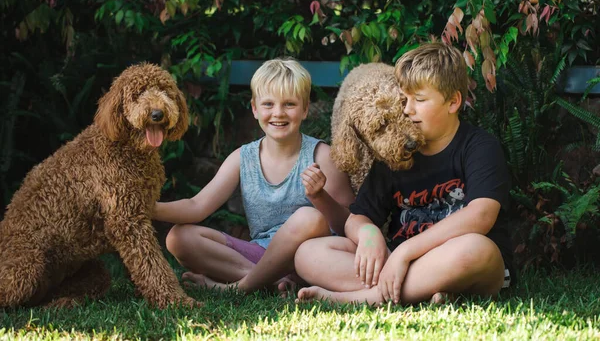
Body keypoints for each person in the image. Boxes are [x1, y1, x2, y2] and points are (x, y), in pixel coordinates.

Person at [294, 43, 514, 305]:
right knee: (308, 253)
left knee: (477, 250)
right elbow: (357, 217)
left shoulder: (479, 147)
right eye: (404, 99)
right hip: (400, 263)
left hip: (460, 260)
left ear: (453, 101)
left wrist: (405, 252)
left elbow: (480, 216)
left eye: (419, 100)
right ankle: (426, 289)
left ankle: (366, 298)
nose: (408, 109)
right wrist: (369, 234)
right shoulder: (396, 153)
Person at [153, 58, 355, 295]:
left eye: (289, 104)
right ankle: (271, 283)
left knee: (309, 217)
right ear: (255, 108)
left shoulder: (322, 155)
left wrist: (320, 197)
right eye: (268, 104)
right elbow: (197, 206)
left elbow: (348, 225)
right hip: (260, 255)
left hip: (310, 257)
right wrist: (148, 208)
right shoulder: (243, 157)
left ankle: (240, 287)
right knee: (178, 238)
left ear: (305, 109)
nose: (278, 113)